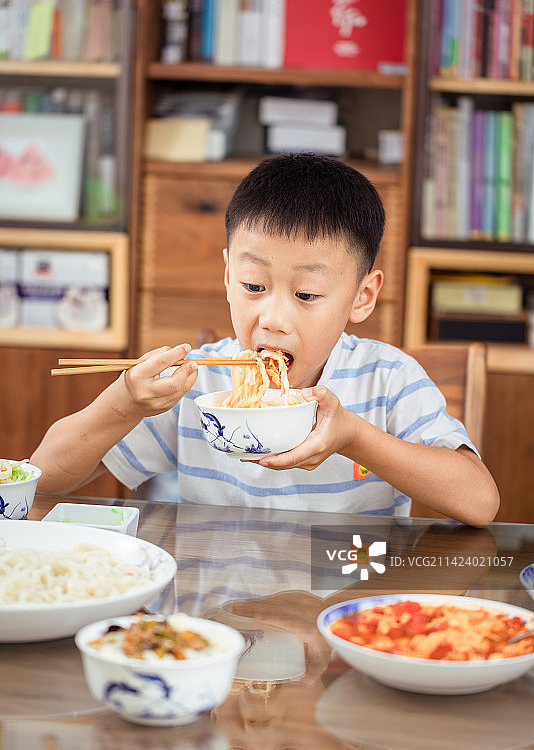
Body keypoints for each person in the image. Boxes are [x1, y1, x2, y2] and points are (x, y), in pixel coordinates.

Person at [31, 153, 499, 526]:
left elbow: (479, 503)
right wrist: (124, 403)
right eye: (253, 287)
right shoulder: (197, 384)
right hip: (211, 624)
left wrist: (353, 437)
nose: (272, 319)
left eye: (307, 294)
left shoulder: (387, 380)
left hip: (342, 611)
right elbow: (44, 480)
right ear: (228, 274)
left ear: (362, 297)